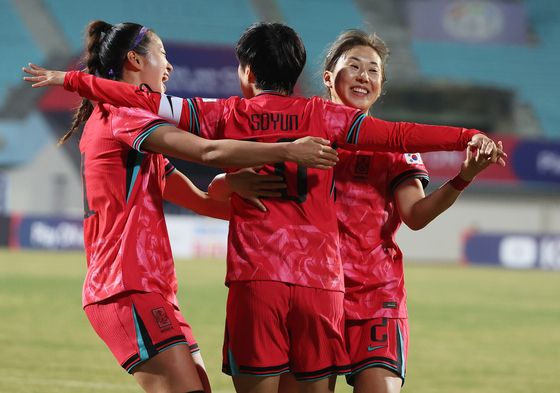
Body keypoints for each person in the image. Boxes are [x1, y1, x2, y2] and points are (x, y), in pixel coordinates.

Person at [24, 22, 504, 393]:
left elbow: (159, 115)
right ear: (309, 75)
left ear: (247, 74)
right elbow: (400, 135)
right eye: (162, 56)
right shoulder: (327, 119)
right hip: (323, 287)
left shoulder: (227, 113)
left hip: (258, 282)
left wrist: (72, 80)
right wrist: (467, 137)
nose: (167, 67)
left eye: (372, 68)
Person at [23, 21, 340, 393]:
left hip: (151, 290)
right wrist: (288, 149)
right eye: (162, 55)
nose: (169, 67)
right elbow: (207, 150)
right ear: (134, 61)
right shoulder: (122, 114)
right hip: (125, 288)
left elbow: (204, 201)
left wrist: (255, 197)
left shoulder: (135, 136)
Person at [210, 28, 507, 393]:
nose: (364, 76)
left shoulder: (393, 147)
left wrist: (463, 177)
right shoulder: (298, 134)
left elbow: (414, 215)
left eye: (374, 70)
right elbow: (240, 193)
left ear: (381, 85)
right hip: (309, 289)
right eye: (354, 66)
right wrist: (229, 181)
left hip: (374, 296)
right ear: (328, 77)